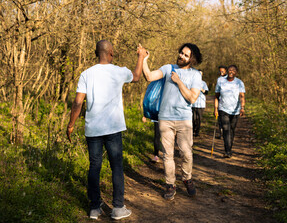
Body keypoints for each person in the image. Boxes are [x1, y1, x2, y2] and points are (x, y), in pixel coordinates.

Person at [66, 40, 147, 220]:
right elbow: (136, 76)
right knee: (116, 166)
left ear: (97, 53)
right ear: (110, 52)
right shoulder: (119, 71)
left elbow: (78, 102)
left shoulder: (86, 74)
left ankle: (94, 208)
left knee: (94, 166)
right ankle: (118, 208)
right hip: (113, 128)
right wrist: (141, 56)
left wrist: (71, 124)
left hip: (93, 129)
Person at [142, 43, 202, 200]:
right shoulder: (168, 68)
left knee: (186, 153)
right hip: (165, 119)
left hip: (184, 120)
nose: (181, 56)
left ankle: (187, 178)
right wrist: (143, 59)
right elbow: (149, 76)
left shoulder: (196, 75)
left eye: (186, 55)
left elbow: (192, 98)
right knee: (168, 155)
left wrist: (179, 82)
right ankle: (170, 184)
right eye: (181, 53)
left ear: (192, 59)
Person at [214, 65, 245, 158]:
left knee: (232, 130)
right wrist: (215, 109)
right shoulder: (220, 81)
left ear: (236, 73)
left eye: (234, 70)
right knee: (226, 130)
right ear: (227, 71)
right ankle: (227, 151)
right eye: (230, 70)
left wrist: (242, 107)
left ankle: (229, 148)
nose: (231, 72)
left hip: (235, 111)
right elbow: (216, 96)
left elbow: (242, 96)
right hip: (223, 109)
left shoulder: (239, 83)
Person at [192, 70, 208, 137]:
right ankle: (192, 131)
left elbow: (206, 92)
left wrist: (202, 89)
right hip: (193, 103)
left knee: (199, 118)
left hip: (201, 104)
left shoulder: (204, 83)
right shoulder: (192, 82)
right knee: (193, 118)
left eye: (201, 74)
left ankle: (197, 132)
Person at [215, 65, 227, 139]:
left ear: (226, 71)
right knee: (220, 119)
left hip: (227, 101)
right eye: (220, 71)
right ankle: (221, 133)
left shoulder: (229, 78)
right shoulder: (219, 79)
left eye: (222, 71)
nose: (221, 72)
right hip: (220, 101)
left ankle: (226, 133)